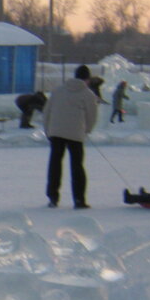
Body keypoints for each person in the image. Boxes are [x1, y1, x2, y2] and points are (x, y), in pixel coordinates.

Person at [43, 64, 98, 209]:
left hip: (56, 132)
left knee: (55, 164)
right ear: (87, 79)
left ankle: (53, 197)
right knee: (77, 166)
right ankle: (79, 199)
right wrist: (87, 130)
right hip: (76, 134)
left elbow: (47, 112)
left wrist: (48, 131)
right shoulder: (88, 94)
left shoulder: (58, 90)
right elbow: (92, 116)